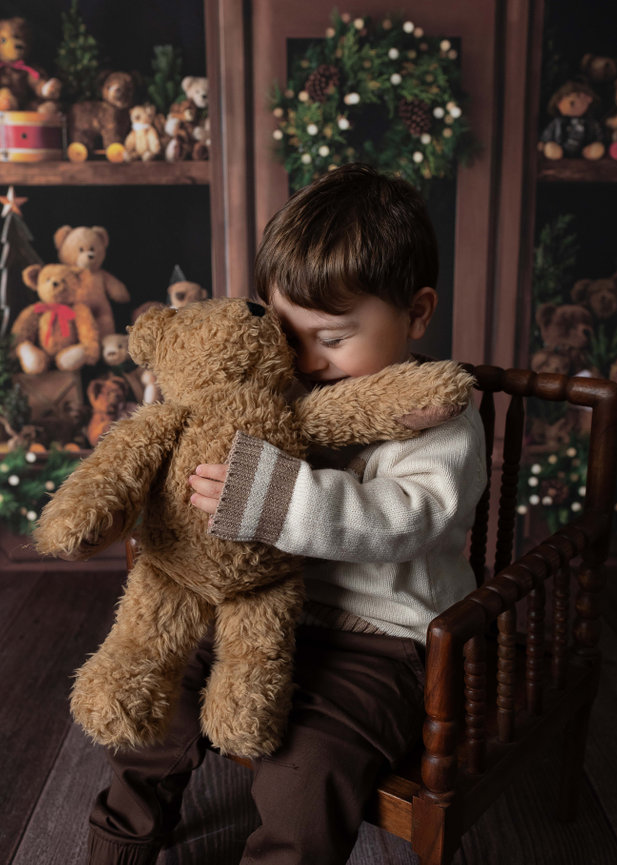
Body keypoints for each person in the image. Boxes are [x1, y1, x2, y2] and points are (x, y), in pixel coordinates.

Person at [87, 163, 487, 865]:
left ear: (417, 312)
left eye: (333, 338)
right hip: (260, 613)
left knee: (305, 774)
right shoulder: (288, 387)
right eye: (289, 332)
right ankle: (118, 842)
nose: (305, 359)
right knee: (154, 705)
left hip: (378, 642)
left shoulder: (440, 417)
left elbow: (408, 517)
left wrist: (280, 499)